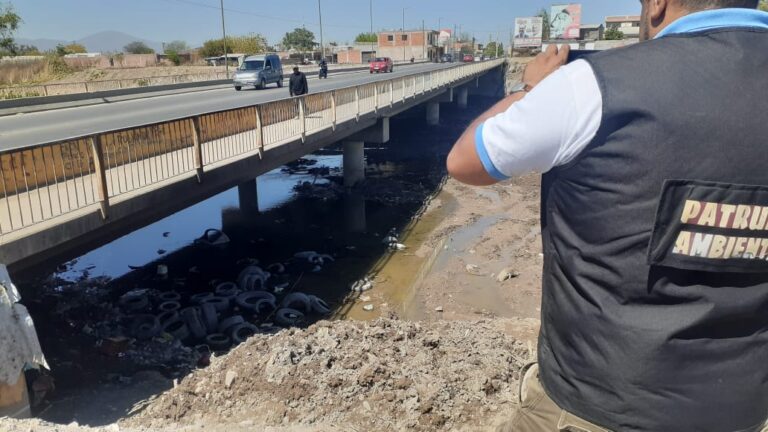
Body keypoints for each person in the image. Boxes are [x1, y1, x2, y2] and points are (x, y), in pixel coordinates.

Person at [446, 1, 768, 431]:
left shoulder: (599, 84)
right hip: (741, 410)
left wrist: (530, 91)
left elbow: (466, 161)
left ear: (657, 4)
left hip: (594, 405)